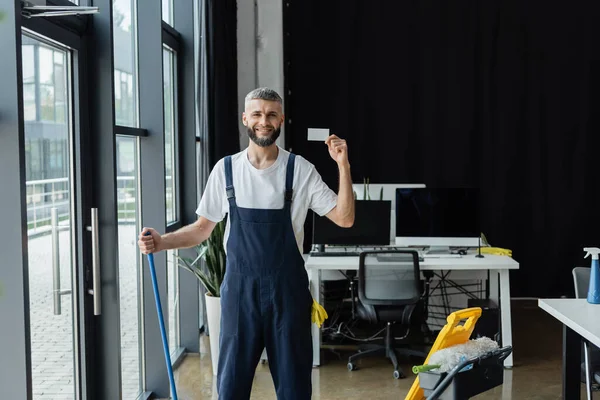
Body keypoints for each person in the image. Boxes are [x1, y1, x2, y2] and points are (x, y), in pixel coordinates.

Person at [138, 87, 354, 399]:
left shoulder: (301, 170)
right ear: (245, 118)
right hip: (240, 296)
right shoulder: (226, 170)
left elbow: (345, 218)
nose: (263, 121)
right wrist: (161, 242)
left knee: (295, 389)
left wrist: (343, 165)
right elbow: (202, 229)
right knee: (230, 389)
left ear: (281, 120)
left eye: (270, 114)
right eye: (256, 114)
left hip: (288, 297)